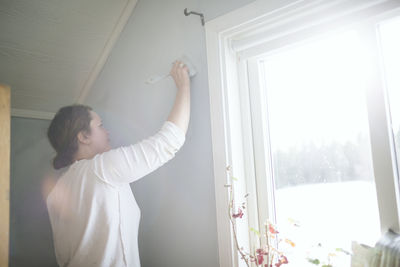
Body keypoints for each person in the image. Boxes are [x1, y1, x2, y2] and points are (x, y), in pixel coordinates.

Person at [46, 60, 190, 267]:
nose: (107, 132)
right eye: (100, 126)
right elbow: (168, 142)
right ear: (83, 137)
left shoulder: (57, 191)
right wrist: (184, 86)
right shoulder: (100, 168)